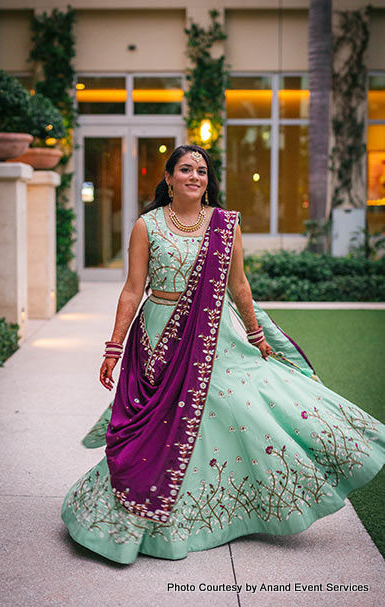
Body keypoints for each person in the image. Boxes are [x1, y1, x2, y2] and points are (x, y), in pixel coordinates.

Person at [61, 144, 385, 565]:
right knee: (163, 422)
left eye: (201, 170)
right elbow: (131, 288)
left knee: (245, 404)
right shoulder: (148, 225)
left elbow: (239, 286)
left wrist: (255, 334)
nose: (194, 176)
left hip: (215, 334)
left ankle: (243, 501)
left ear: (207, 180)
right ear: (169, 178)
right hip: (159, 334)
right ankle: (150, 513)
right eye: (185, 169)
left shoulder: (225, 226)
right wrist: (114, 346)